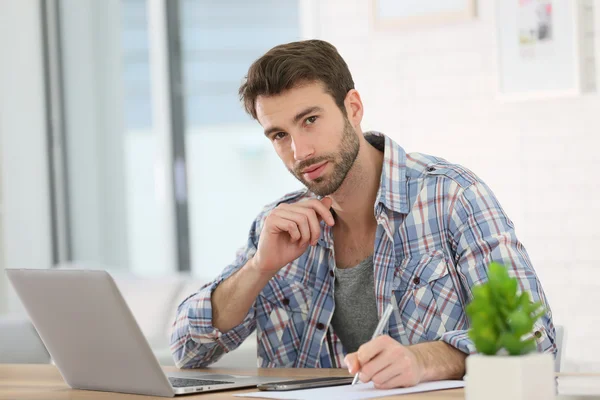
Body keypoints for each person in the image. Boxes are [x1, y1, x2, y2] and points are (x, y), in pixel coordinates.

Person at [170, 40, 556, 389]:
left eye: (310, 120)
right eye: (279, 135)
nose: (300, 151)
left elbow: (534, 340)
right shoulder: (276, 226)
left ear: (352, 108)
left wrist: (422, 360)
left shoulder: (452, 197)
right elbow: (187, 351)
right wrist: (258, 268)